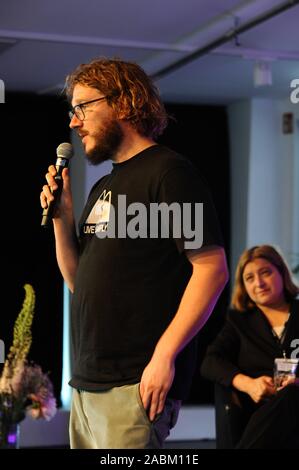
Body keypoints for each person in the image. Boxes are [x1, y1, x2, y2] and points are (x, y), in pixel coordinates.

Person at [40, 58, 228, 449]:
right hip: (88, 383)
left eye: (83, 107)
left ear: (123, 103)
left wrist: (164, 355)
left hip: (136, 382)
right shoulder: (103, 186)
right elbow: (79, 281)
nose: (74, 122)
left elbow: (211, 270)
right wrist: (63, 219)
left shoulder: (169, 173)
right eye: (72, 112)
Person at [201, 244, 299, 449]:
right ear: (243, 286)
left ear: (282, 273)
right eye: (250, 278)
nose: (259, 283)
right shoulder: (239, 322)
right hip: (259, 409)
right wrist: (249, 384)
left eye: (266, 273)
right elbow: (210, 362)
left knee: (291, 394)